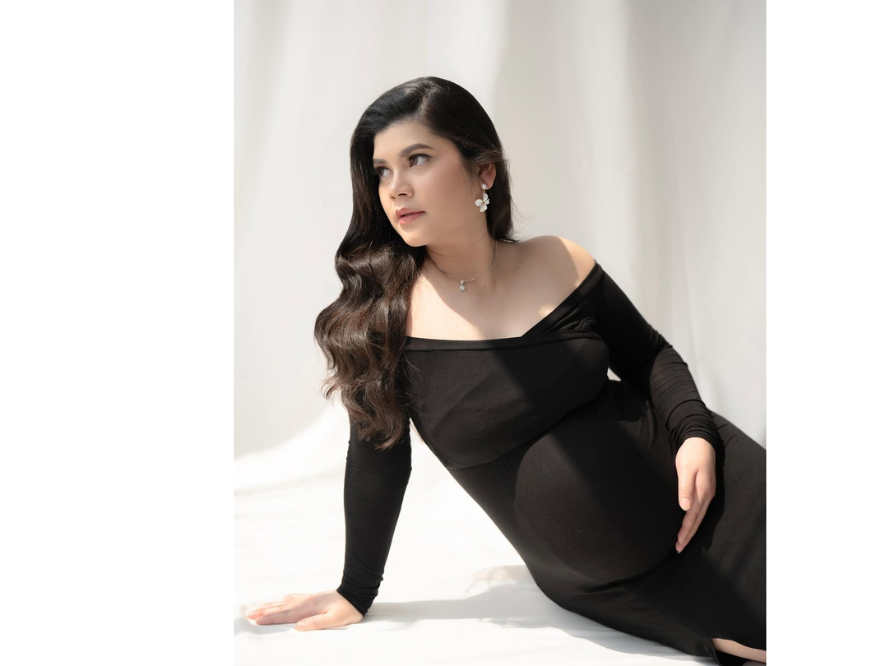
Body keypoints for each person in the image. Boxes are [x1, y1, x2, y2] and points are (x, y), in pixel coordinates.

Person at [245, 77, 766, 666]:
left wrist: (695, 433)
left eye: (418, 159)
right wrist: (355, 590)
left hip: (728, 490)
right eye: (382, 171)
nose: (396, 187)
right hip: (622, 580)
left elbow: (648, 356)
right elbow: (378, 461)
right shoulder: (384, 322)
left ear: (484, 171)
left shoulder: (559, 260)